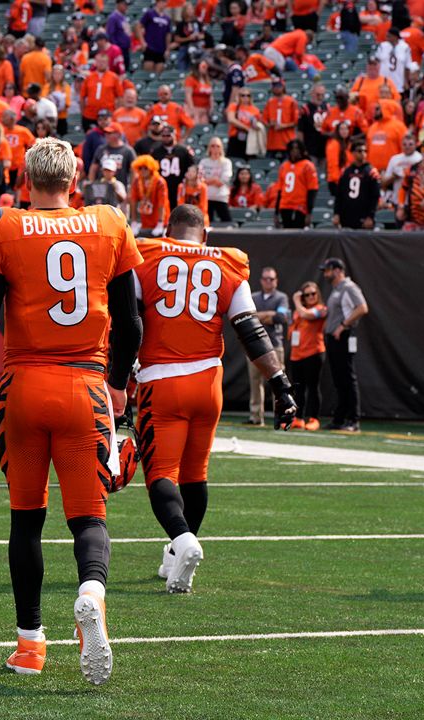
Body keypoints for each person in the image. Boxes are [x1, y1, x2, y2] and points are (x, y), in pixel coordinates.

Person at [0, 137, 142, 685]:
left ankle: (30, 647)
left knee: (26, 521)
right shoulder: (108, 222)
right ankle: (91, 595)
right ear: (74, 181)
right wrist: (119, 385)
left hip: (24, 387)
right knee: (89, 516)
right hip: (86, 384)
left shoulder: (0, 225)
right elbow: (131, 325)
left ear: (25, 180)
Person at [133, 204, 296, 594]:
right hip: (209, 383)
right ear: (204, 235)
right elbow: (252, 331)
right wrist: (280, 383)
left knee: (160, 476)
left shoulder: (147, 256)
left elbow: (131, 322)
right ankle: (175, 554)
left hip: (162, 380)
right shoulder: (228, 263)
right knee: (196, 474)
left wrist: (119, 375)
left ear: (167, 229)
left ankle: (184, 540)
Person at [320, 257, 368, 432]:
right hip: (334, 338)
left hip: (344, 337)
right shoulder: (336, 289)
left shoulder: (349, 287)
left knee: (348, 378)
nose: (325, 274)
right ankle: (340, 418)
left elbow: (362, 307)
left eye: (327, 270)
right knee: (339, 379)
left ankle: (353, 419)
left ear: (338, 270)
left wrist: (344, 326)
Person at [245, 267, 290, 426]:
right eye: (265, 278)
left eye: (271, 279)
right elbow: (248, 318)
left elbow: (281, 317)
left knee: (278, 382)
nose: (268, 281)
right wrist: (268, 314)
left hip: (274, 346)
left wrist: (259, 316)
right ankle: (256, 417)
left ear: (276, 280)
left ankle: (281, 415)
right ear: (261, 280)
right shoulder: (253, 297)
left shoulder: (281, 297)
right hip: (254, 346)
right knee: (255, 382)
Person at [288, 281, 327, 431]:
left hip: (314, 353)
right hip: (296, 354)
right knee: (298, 388)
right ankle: (298, 418)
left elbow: (306, 315)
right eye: (307, 294)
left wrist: (297, 300)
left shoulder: (321, 309)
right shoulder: (298, 311)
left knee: (313, 387)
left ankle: (313, 418)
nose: (310, 296)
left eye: (313, 294)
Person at [334, 139, 382, 229]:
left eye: (365, 151)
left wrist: (370, 216)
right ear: (353, 153)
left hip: (364, 216)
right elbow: (339, 195)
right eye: (360, 151)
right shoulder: (346, 172)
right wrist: (336, 213)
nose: (363, 153)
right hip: (347, 215)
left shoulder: (372, 172)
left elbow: (375, 196)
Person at [272, 139, 318, 228]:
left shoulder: (308, 165)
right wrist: (276, 212)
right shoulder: (284, 166)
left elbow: (312, 190)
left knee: (298, 235)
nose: (294, 151)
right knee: (287, 234)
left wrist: (309, 212)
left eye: (297, 148)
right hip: (285, 204)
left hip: (300, 206)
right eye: (292, 148)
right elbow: (279, 190)